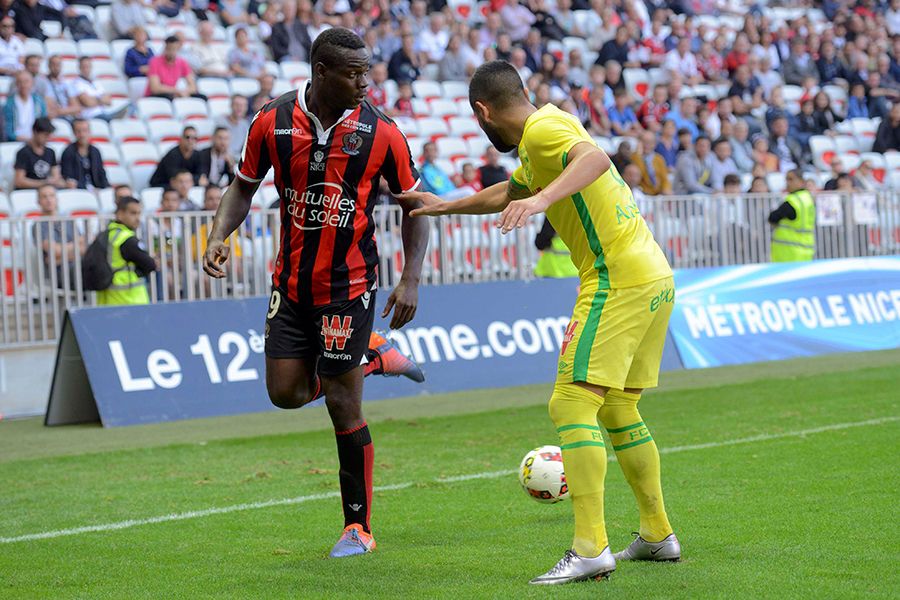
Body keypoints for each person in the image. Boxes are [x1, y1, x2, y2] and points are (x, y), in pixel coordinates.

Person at [406, 60, 680, 585]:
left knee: (571, 401)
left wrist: (542, 200)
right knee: (619, 405)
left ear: (482, 111)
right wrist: (446, 207)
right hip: (652, 275)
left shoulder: (545, 130)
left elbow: (595, 159)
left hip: (615, 277)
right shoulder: (548, 127)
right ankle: (656, 534)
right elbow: (508, 192)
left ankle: (589, 548)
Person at [202, 28, 430, 560]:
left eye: (367, 72)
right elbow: (243, 186)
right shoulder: (271, 120)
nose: (365, 84)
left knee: (344, 405)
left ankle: (359, 528)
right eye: (353, 74)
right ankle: (373, 357)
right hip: (291, 285)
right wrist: (218, 235)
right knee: (284, 393)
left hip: (349, 289)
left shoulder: (384, 133)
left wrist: (411, 277)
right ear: (320, 71)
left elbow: (413, 206)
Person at [98, 196, 156, 305]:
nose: (138, 218)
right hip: (128, 300)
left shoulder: (107, 234)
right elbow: (150, 264)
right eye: (133, 213)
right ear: (120, 214)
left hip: (108, 299)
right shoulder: (126, 239)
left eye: (139, 213)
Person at [33, 184, 84, 287]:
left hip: (78, 266)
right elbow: (54, 251)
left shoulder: (69, 221)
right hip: (60, 274)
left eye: (51, 196)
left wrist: (59, 257)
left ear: (57, 199)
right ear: (38, 202)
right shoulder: (38, 225)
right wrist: (76, 245)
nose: (49, 200)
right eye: (44, 196)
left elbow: (84, 247)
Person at [768, 169, 815, 262]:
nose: (787, 183)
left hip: (789, 253)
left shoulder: (793, 201)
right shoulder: (808, 198)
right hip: (806, 250)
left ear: (801, 181)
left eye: (791, 179)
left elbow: (773, 217)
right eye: (786, 179)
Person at [70, 57, 129, 121]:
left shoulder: (96, 82)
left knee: (131, 106)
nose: (86, 69)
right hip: (91, 116)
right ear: (79, 68)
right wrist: (100, 99)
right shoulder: (76, 83)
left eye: (88, 66)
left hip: (104, 112)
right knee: (110, 118)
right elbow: (88, 102)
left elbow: (108, 101)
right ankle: (115, 117)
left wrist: (94, 99)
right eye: (84, 66)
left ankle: (115, 117)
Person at [146, 36, 202, 100]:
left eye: (175, 49)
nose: (172, 52)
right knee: (171, 97)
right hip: (156, 96)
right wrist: (177, 91)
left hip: (172, 93)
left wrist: (184, 92)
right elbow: (155, 88)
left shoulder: (182, 62)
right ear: (165, 48)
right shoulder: (154, 62)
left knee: (201, 97)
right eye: (170, 49)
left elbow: (193, 87)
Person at [14, 117, 63, 189]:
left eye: (49, 135)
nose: (48, 138)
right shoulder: (23, 153)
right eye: (45, 135)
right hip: (28, 193)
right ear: (35, 132)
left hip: (46, 192)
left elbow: (56, 176)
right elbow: (19, 181)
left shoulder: (50, 152)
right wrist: (44, 183)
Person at [61, 118, 109, 190]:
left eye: (85, 131)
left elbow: (101, 174)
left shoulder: (95, 151)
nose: (82, 134)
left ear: (89, 132)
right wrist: (88, 188)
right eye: (78, 131)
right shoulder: (68, 152)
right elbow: (69, 179)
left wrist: (105, 188)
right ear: (74, 133)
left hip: (97, 190)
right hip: (78, 191)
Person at [4, 70, 47, 142]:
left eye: (26, 82)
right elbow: (7, 130)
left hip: (35, 141)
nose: (23, 85)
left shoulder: (39, 101)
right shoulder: (9, 104)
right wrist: (23, 139)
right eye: (20, 82)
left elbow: (44, 123)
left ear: (32, 83)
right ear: (16, 84)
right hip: (15, 141)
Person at [631, 130, 670, 196]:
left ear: (654, 144)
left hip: (657, 194)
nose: (647, 145)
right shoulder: (634, 157)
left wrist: (666, 189)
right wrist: (638, 155)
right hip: (641, 193)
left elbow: (664, 179)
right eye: (644, 142)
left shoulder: (659, 159)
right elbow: (639, 175)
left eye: (650, 142)